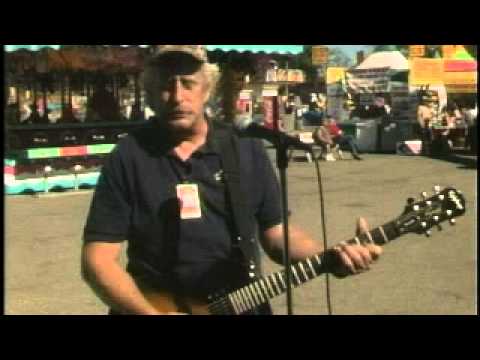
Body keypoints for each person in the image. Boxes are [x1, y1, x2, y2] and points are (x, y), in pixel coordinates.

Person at [81, 45, 382, 316]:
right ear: (149, 92)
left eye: (188, 83)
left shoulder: (244, 147)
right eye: (165, 85)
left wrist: (330, 256)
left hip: (242, 303)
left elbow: (277, 234)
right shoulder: (128, 155)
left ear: (207, 89)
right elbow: (98, 260)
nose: (177, 97)